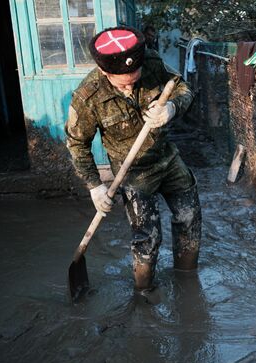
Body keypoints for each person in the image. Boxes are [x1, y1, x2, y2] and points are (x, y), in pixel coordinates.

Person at [65, 26, 201, 292]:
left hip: (167, 158)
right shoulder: (88, 97)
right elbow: (77, 144)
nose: (129, 85)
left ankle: (187, 279)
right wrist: (94, 186)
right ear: (104, 72)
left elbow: (181, 86)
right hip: (133, 174)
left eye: (134, 77)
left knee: (189, 218)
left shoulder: (151, 61)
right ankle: (144, 293)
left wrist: (172, 107)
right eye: (121, 81)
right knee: (147, 238)